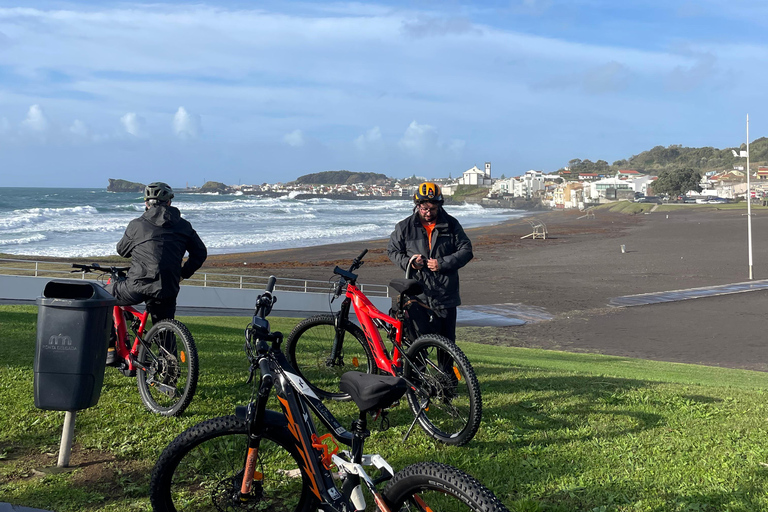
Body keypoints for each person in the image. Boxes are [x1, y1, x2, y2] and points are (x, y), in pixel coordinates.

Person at [106, 182, 207, 327]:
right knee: (165, 333)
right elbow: (200, 253)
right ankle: (166, 348)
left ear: (146, 203)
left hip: (137, 285)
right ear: (169, 202)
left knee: (101, 296)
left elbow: (122, 251)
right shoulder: (184, 225)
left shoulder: (137, 225)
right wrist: (183, 274)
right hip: (168, 286)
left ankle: (109, 346)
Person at [387, 182, 473, 342]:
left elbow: (466, 250)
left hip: (446, 297)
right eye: (424, 208)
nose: (428, 213)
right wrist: (410, 263)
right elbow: (392, 251)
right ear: (417, 205)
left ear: (439, 205)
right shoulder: (404, 227)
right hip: (417, 296)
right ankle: (417, 368)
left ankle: (446, 369)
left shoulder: (451, 225)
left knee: (447, 347)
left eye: (432, 209)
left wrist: (442, 264)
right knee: (417, 346)